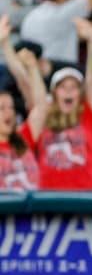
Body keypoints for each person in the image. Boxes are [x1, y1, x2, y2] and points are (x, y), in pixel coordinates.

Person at [24, 18, 92, 190]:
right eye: (62, 87)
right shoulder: (43, 118)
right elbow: (33, 92)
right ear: (53, 95)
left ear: (80, 94)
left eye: (74, 87)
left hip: (88, 198)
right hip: (48, 200)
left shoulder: (90, 117)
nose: (68, 91)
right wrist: (31, 67)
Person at [0, 16, 47, 191]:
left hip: (31, 216)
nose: (9, 113)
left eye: (11, 108)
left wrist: (33, 68)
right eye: (2, 108)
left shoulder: (23, 138)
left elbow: (41, 106)